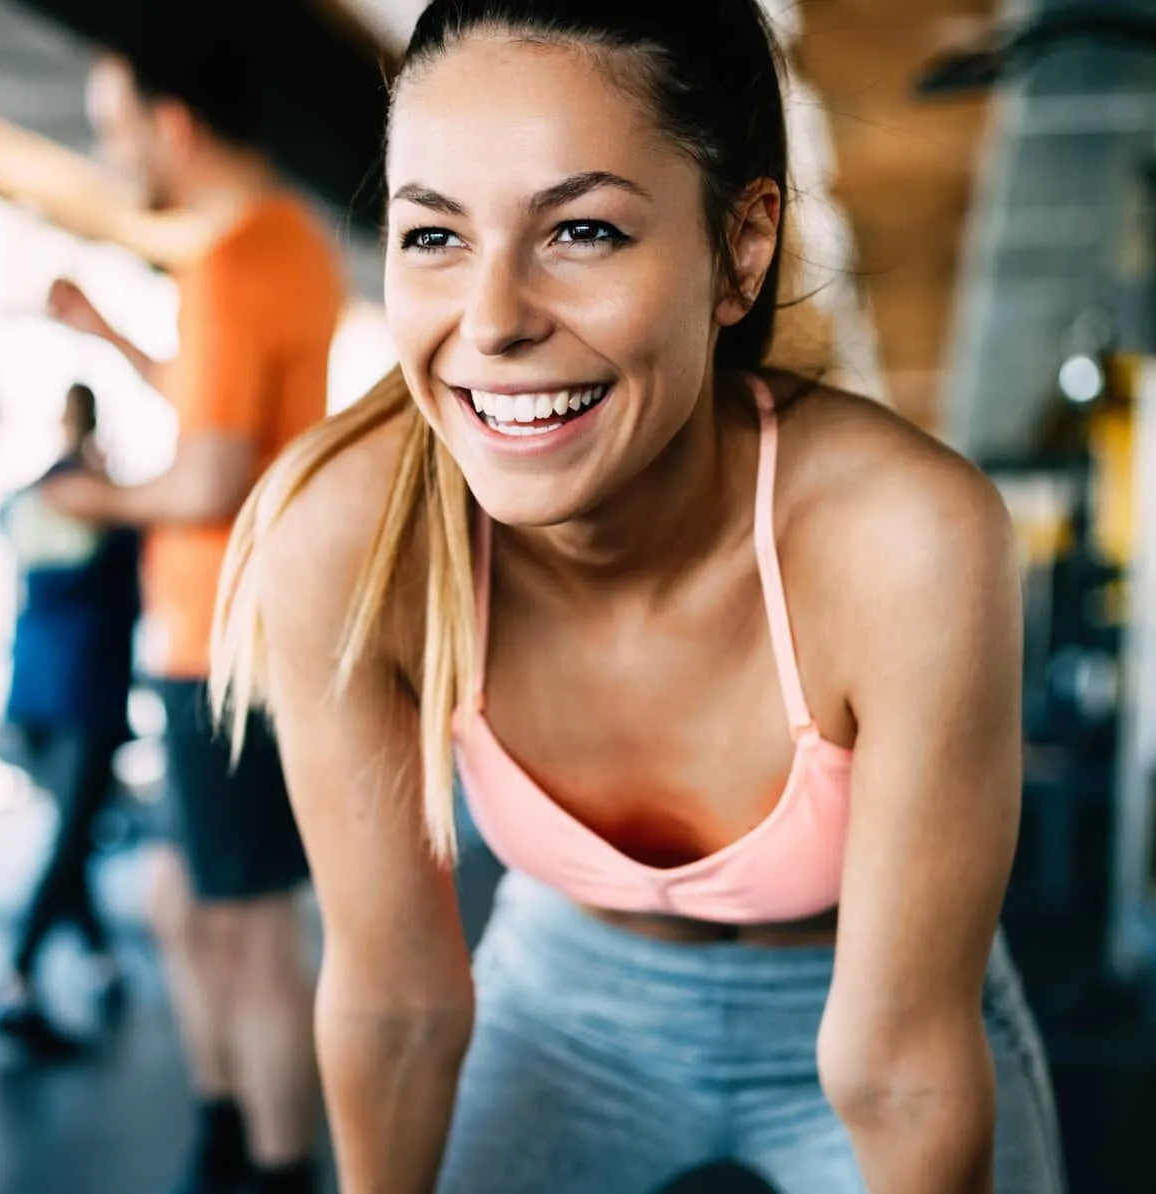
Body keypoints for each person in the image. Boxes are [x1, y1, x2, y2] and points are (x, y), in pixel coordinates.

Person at [210, 3, 1065, 1192]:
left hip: (878, 1007)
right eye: (435, 236)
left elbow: (897, 1067)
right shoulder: (348, 534)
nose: (493, 322)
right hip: (568, 1006)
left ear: (741, 248)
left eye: (583, 231)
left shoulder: (906, 539)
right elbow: (396, 1003)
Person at [39, 12, 347, 1194]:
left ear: (172, 125)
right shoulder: (283, 244)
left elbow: (211, 477)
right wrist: (112, 335)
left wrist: (93, 497)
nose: (109, 150)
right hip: (227, 638)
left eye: (114, 127)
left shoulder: (228, 263)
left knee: (252, 926)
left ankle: (273, 1164)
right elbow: (217, 408)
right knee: (182, 899)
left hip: (227, 644)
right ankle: (227, 1126)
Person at [0, 382, 143, 1056]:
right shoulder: (101, 500)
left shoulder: (31, 498)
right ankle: (16, 972)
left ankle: (97, 956)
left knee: (72, 833)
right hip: (85, 687)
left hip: (35, 684)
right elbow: (131, 582)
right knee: (72, 837)